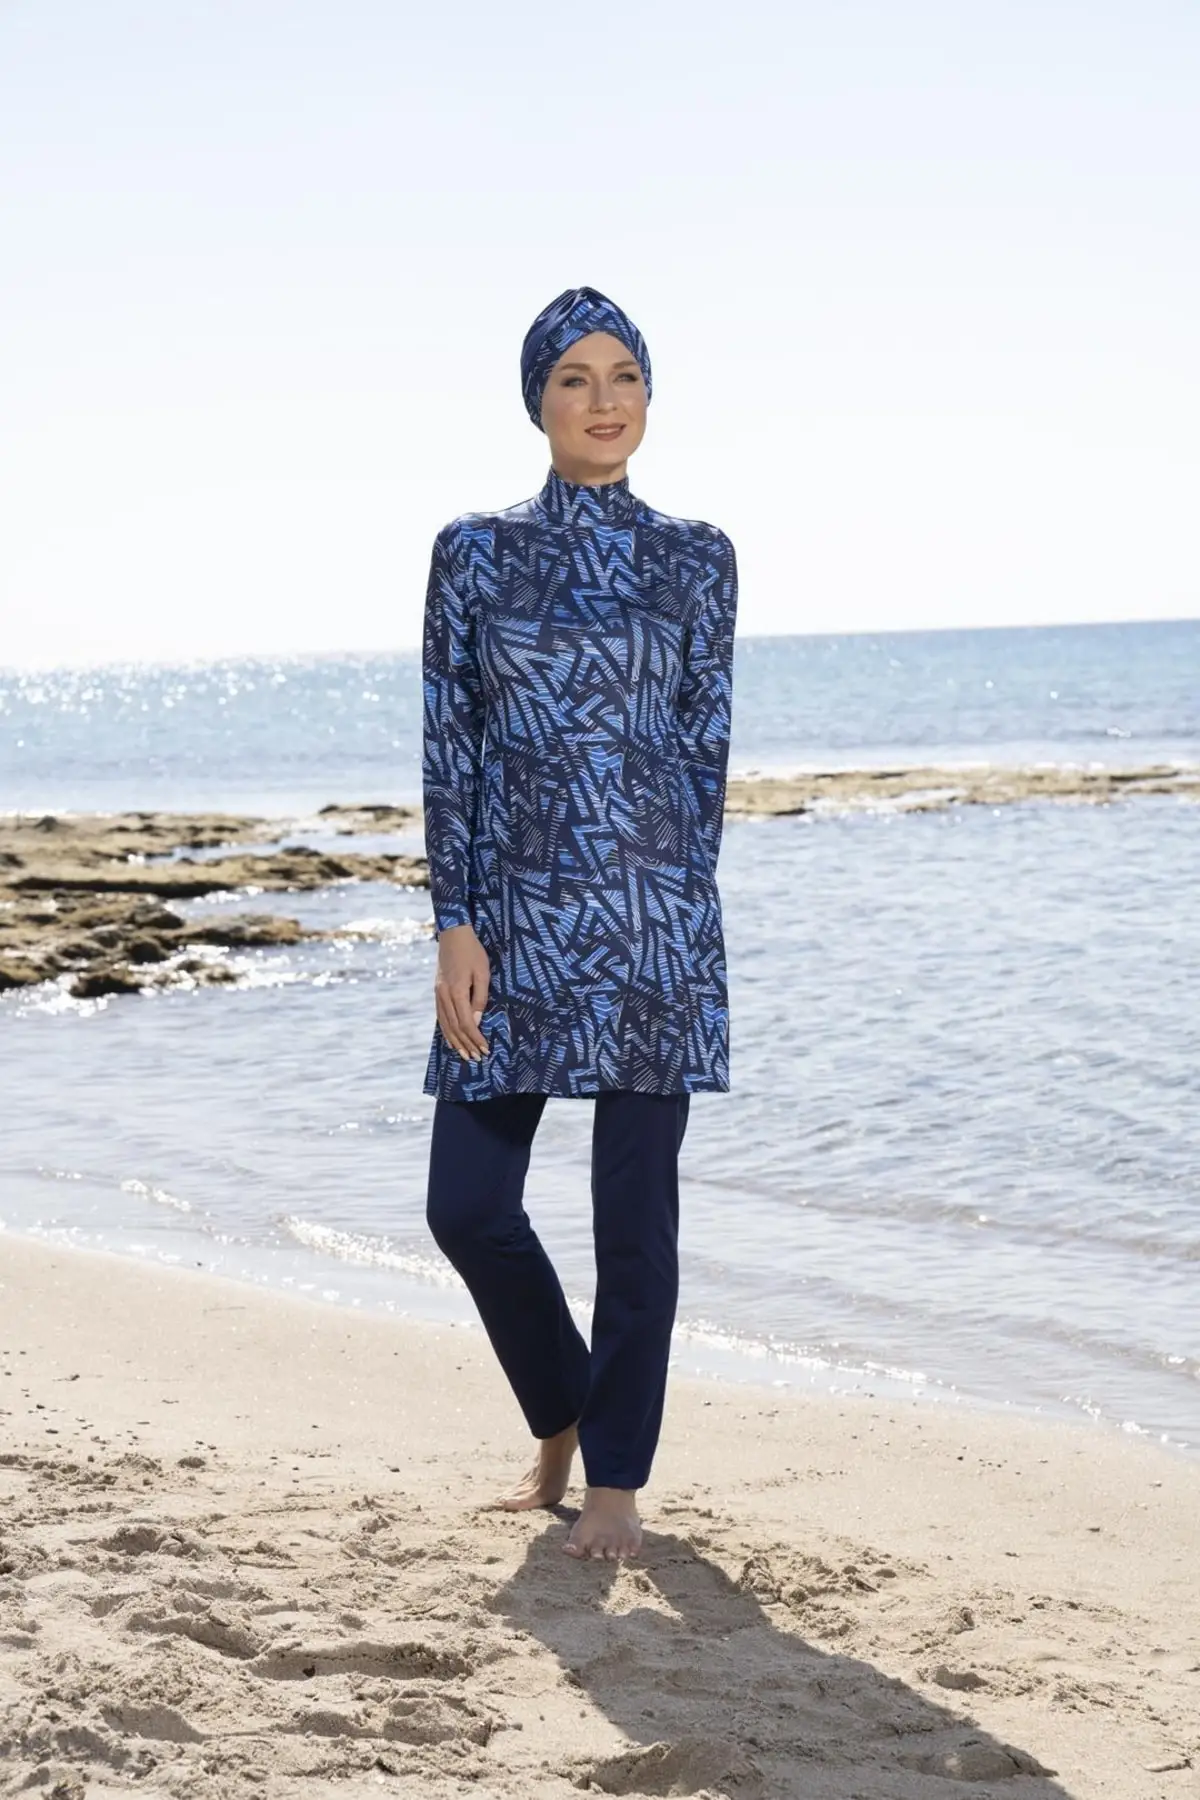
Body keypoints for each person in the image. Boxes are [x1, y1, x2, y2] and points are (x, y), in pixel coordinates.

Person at [421, 284, 738, 1560]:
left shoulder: (699, 556)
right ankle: (560, 1408)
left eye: (625, 378)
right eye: (575, 378)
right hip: (512, 926)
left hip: (655, 930)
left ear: (649, 397)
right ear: (537, 400)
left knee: (634, 1225)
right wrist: (455, 922)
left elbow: (705, 753)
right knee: (466, 1206)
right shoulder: (474, 552)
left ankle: (615, 1481)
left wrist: (685, 911)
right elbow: (451, 748)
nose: (605, 402)